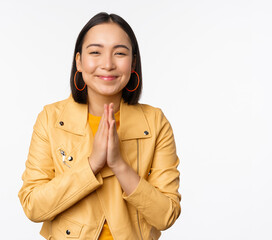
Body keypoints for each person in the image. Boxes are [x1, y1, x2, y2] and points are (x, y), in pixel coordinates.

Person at [18, 12, 181, 239]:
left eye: (120, 53)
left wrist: (119, 165)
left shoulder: (155, 122)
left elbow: (166, 215)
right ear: (79, 62)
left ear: (133, 62)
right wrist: (92, 163)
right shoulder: (51, 119)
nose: (107, 64)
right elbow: (33, 206)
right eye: (95, 52)